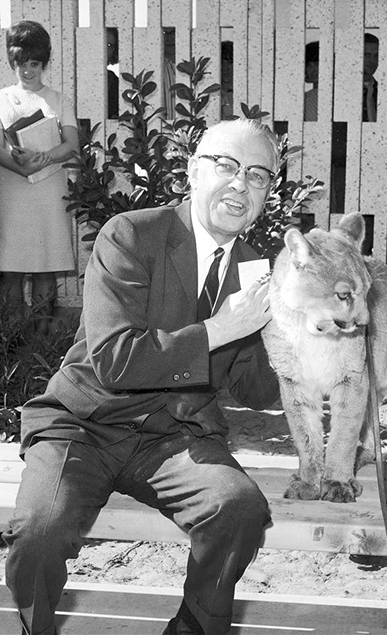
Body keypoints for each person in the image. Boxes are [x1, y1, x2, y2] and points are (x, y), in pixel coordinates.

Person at [3, 117, 281, 635]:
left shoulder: (254, 270)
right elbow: (114, 359)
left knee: (239, 509)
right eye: (227, 165)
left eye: (259, 175)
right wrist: (222, 328)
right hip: (84, 425)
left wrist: (299, 335)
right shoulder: (132, 233)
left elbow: (257, 390)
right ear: (194, 172)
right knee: (40, 531)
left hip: (174, 438)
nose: (241, 183)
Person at [0, 20, 79, 328]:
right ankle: (13, 339)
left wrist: (46, 156)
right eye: (21, 63)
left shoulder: (58, 99)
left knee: (47, 266)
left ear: (44, 62)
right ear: (12, 61)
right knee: (11, 269)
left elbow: (72, 145)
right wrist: (20, 165)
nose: (28, 70)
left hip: (48, 191)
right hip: (12, 192)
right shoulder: (1, 98)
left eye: (34, 63)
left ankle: (43, 340)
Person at [304, 41, 319, 121]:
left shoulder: (340, 97)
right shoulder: (304, 98)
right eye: (309, 65)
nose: (313, 70)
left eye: (317, 63)